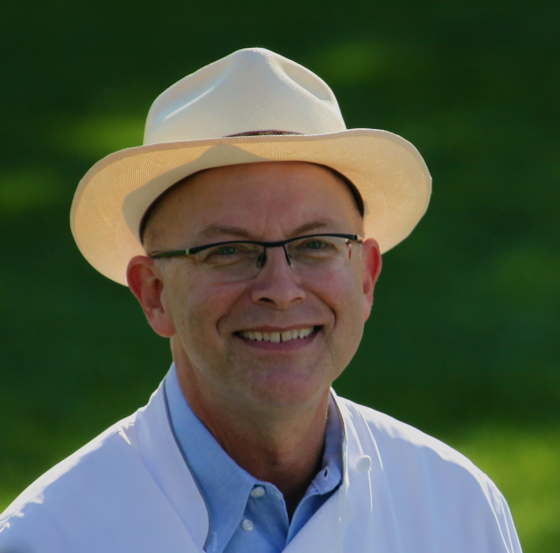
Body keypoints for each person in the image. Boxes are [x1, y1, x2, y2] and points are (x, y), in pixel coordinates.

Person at [0, 48, 522, 553]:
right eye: (228, 250)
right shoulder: (46, 539)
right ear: (154, 293)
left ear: (365, 277)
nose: (280, 288)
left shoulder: (459, 511)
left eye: (315, 244)